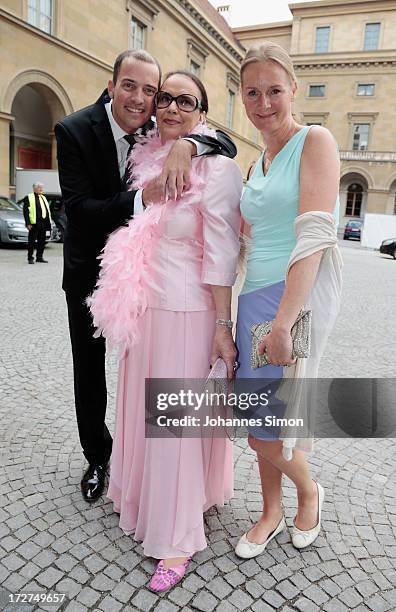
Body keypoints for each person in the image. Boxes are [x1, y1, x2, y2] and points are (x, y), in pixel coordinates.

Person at [54, 50, 236, 502]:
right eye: (130, 86)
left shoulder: (160, 130)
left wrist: (187, 144)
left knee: (141, 374)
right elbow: (77, 212)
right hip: (89, 270)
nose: (141, 99)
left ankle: (149, 470)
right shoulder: (74, 130)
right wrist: (142, 199)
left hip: (149, 278)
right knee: (90, 369)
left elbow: (223, 144)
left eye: (150, 92)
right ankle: (98, 456)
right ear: (111, 85)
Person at [88, 70, 242, 591]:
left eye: (186, 100)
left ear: (202, 111)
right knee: (144, 414)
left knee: (173, 423)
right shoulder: (146, 156)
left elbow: (222, 254)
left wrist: (224, 327)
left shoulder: (216, 169)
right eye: (164, 98)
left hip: (186, 311)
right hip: (146, 311)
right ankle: (146, 499)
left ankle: (176, 538)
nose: (171, 108)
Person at [234, 41, 342, 559]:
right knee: (261, 420)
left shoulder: (314, 140)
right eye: (252, 92)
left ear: (293, 89)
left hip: (290, 298)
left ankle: (308, 491)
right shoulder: (257, 162)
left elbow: (316, 233)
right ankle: (270, 511)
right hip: (251, 296)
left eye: (274, 90)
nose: (264, 102)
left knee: (271, 428)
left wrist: (284, 321)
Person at [22, 182, 51, 264]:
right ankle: (30, 258)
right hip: (34, 223)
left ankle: (39, 257)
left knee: (42, 241)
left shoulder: (43, 198)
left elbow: (46, 210)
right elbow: (26, 211)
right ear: (34, 188)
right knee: (31, 241)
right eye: (39, 187)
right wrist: (28, 223)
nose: (41, 189)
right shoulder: (29, 197)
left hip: (43, 223)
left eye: (42, 187)